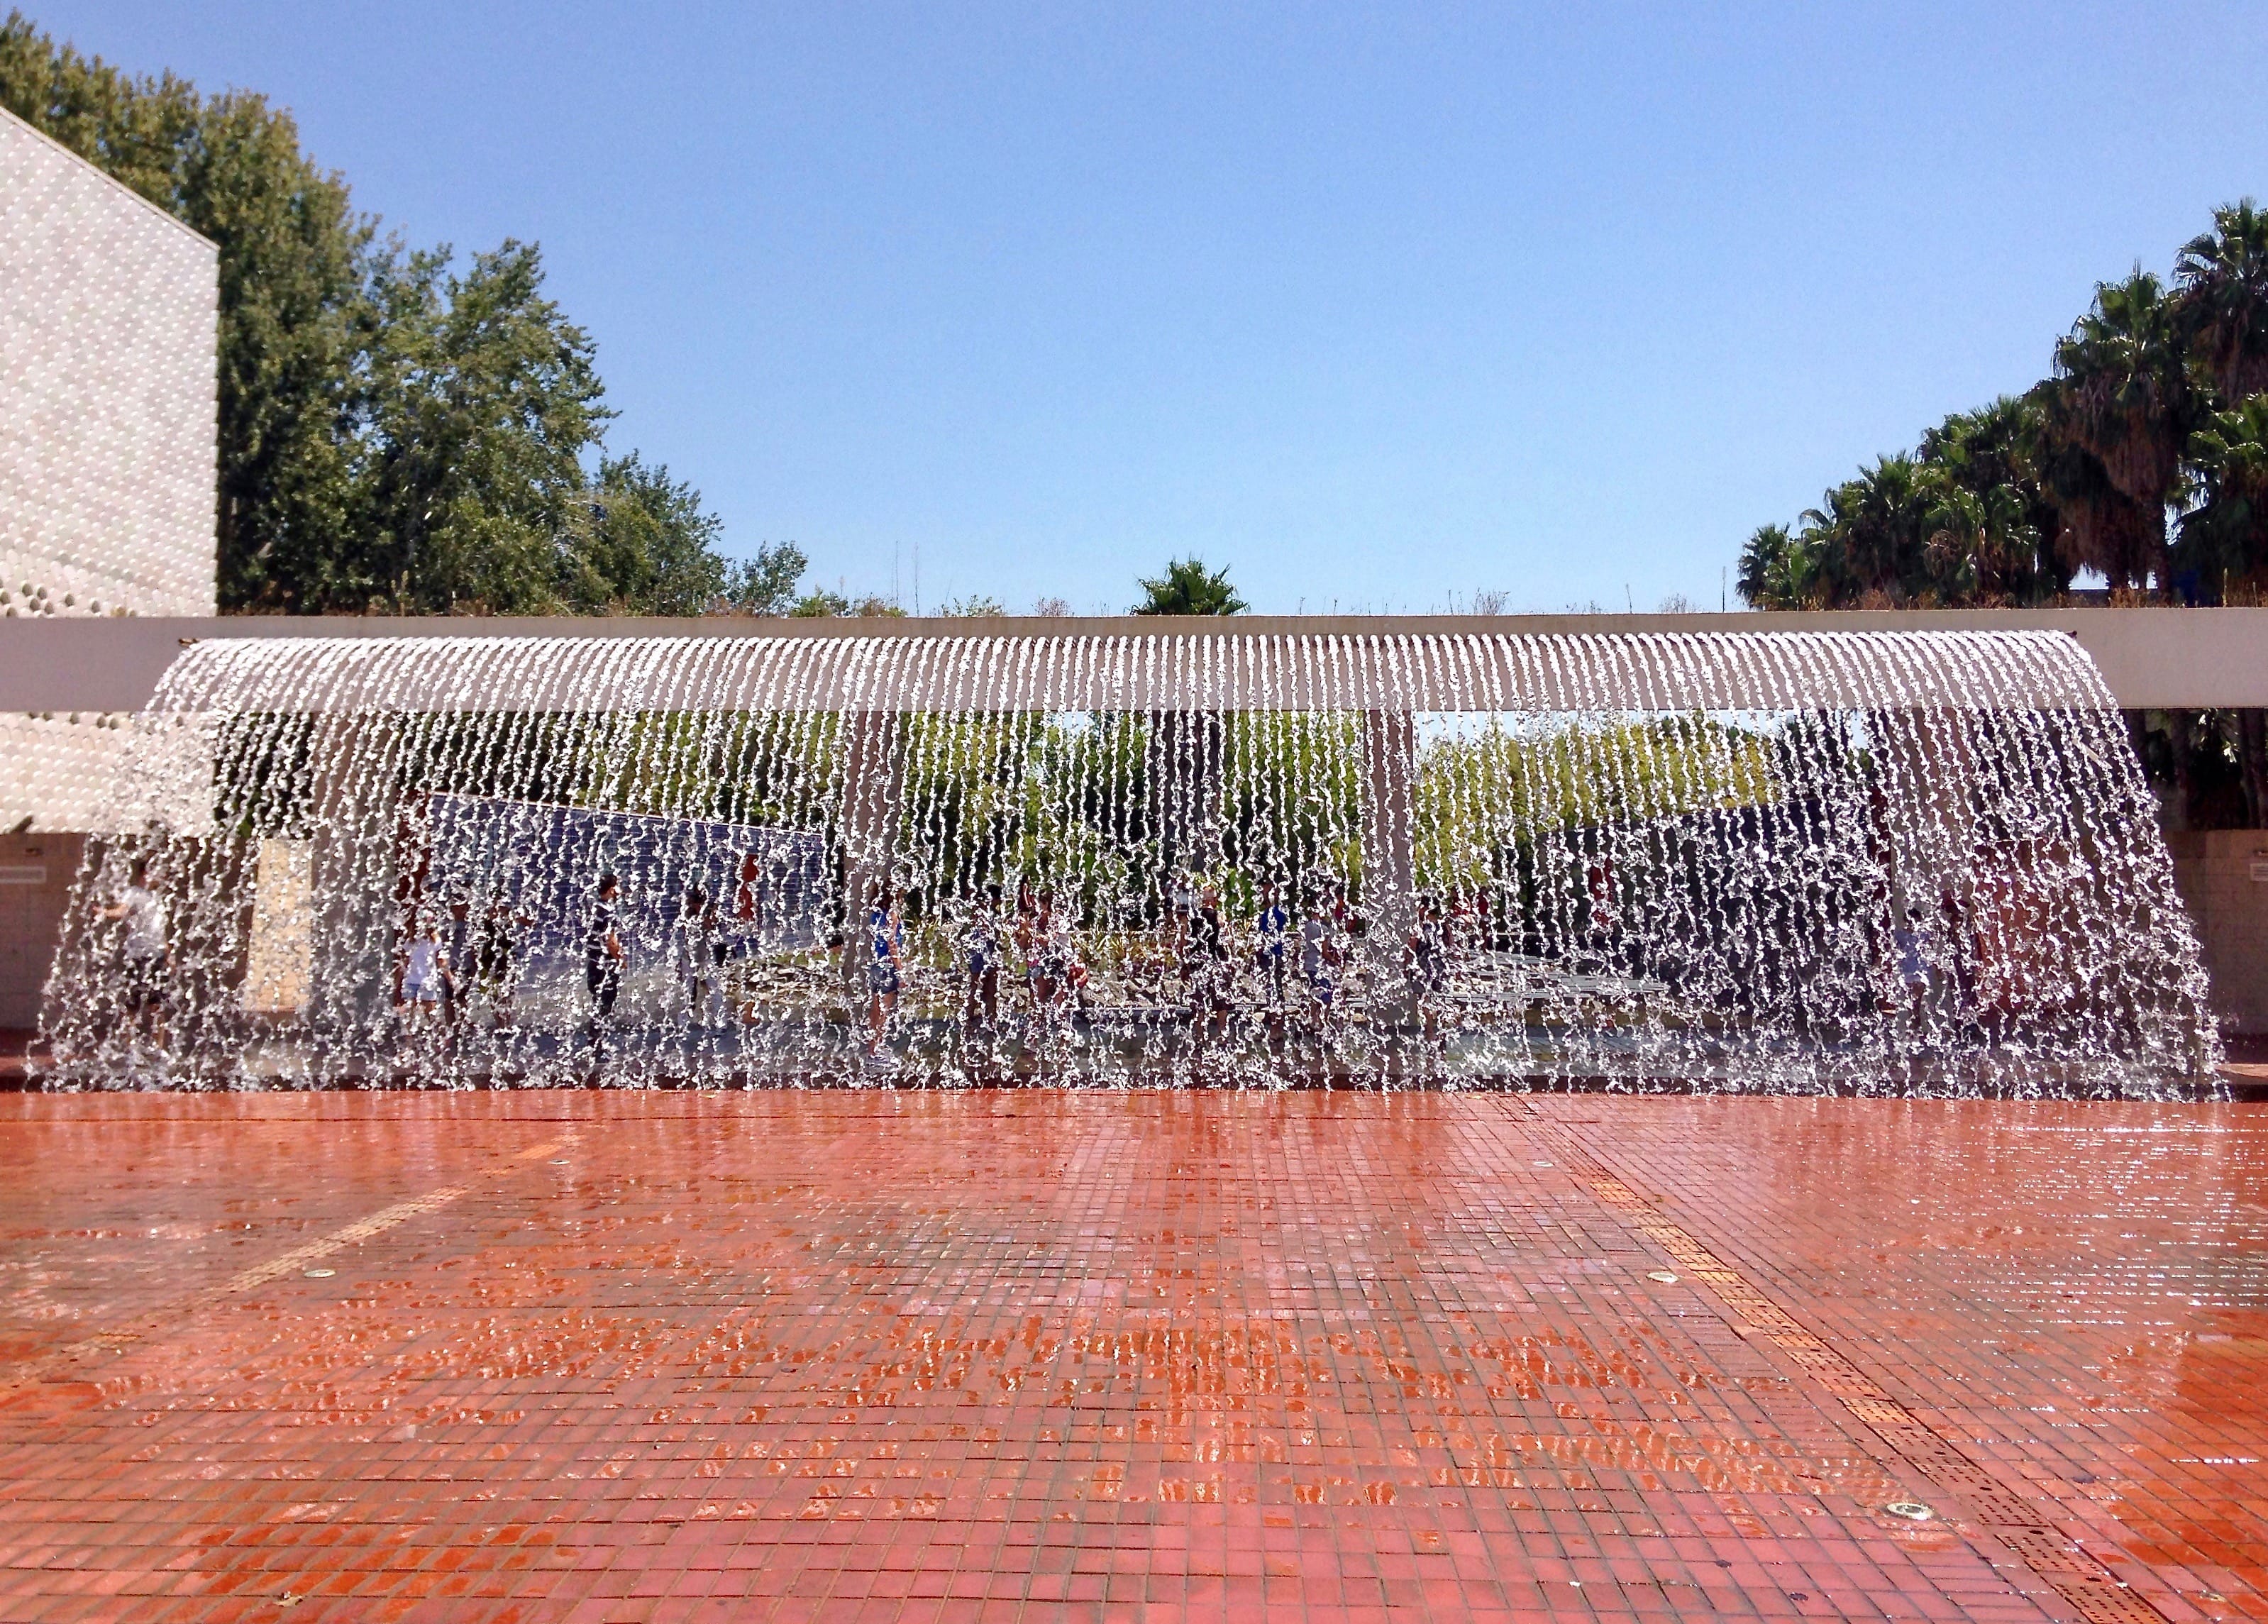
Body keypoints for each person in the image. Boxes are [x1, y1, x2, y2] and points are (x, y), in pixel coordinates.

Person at [101, 856, 168, 1051]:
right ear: (145, 874)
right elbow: (122, 911)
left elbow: (158, 928)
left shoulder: (157, 897)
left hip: (157, 954)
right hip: (138, 954)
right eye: (157, 871)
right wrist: (105, 912)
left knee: (158, 1004)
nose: (161, 876)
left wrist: (167, 953)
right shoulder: (134, 893)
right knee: (134, 1002)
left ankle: (158, 1047)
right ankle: (128, 1045)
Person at [863, 880, 904, 1071]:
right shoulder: (892, 915)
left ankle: (872, 1049)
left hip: (875, 966)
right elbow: (892, 943)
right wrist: (901, 970)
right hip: (888, 967)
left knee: (875, 1010)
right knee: (884, 1011)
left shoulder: (875, 914)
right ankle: (876, 1052)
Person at [585, 873, 626, 1037]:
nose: (620, 890)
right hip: (606, 966)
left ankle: (596, 1042)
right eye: (618, 886)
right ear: (612, 889)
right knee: (605, 1004)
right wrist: (621, 958)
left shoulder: (595, 908)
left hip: (594, 963)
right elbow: (610, 940)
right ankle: (597, 1045)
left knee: (598, 1003)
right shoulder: (608, 911)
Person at [677, 887, 724, 1026]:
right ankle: (683, 1023)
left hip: (708, 956)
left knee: (715, 989)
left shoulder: (710, 913)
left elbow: (713, 927)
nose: (693, 905)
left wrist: (704, 914)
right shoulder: (687, 914)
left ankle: (720, 1022)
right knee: (688, 989)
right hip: (689, 956)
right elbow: (685, 932)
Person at [963, 883, 1003, 1031]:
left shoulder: (983, 910)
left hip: (979, 950)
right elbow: (990, 933)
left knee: (982, 984)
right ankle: (986, 1018)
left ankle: (982, 1017)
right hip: (983, 951)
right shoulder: (984, 911)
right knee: (986, 984)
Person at [400, 915, 446, 1032]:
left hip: (428, 982)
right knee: (408, 1016)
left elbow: (441, 960)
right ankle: (409, 1043)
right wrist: (398, 979)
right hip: (411, 981)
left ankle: (439, 1038)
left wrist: (450, 978)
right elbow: (405, 962)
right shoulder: (410, 942)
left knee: (431, 1014)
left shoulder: (434, 941)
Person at [1254, 883, 1290, 1007]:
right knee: (1275, 981)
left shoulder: (1270, 914)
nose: (1262, 895)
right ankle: (1277, 1008)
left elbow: (1263, 934)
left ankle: (1275, 1009)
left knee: (1271, 982)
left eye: (1265, 892)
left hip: (1271, 953)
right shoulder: (1278, 913)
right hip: (1277, 953)